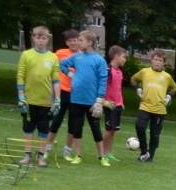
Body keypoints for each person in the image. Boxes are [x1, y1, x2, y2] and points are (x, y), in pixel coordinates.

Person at [58, 31, 109, 166]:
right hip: (76, 99)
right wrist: (69, 74)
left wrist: (99, 100)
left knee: (95, 129)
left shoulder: (99, 60)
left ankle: (102, 157)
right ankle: (77, 155)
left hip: (92, 101)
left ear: (90, 42)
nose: (78, 43)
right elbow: (62, 64)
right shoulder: (77, 57)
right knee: (77, 128)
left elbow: (103, 80)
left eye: (81, 40)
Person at [15, 25, 61, 168]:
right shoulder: (26, 55)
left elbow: (56, 80)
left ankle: (41, 156)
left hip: (46, 101)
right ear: (33, 38)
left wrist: (58, 100)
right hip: (29, 100)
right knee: (28, 127)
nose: (41, 40)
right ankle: (27, 155)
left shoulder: (53, 57)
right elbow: (21, 76)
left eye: (44, 38)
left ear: (48, 39)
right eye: (38, 37)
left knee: (43, 128)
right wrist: (21, 97)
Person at [130, 49, 176, 163]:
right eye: (156, 59)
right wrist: (138, 89)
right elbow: (133, 80)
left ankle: (150, 156)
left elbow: (174, 87)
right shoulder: (144, 72)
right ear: (151, 60)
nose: (157, 62)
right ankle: (144, 152)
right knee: (140, 127)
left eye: (160, 60)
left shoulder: (166, 76)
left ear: (163, 62)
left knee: (155, 134)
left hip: (159, 109)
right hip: (145, 106)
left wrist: (169, 96)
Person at [46, 29, 79, 160]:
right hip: (62, 91)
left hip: (76, 93)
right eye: (70, 41)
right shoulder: (61, 53)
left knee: (73, 123)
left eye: (75, 40)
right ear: (66, 42)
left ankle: (67, 150)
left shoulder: (82, 55)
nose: (73, 43)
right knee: (56, 120)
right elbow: (52, 63)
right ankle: (47, 148)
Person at [100, 45, 126, 164]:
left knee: (113, 130)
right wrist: (104, 101)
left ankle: (108, 152)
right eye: (123, 57)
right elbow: (102, 86)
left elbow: (118, 89)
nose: (125, 60)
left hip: (118, 105)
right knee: (109, 130)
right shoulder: (108, 70)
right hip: (110, 105)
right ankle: (101, 152)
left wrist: (122, 102)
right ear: (116, 56)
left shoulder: (119, 72)